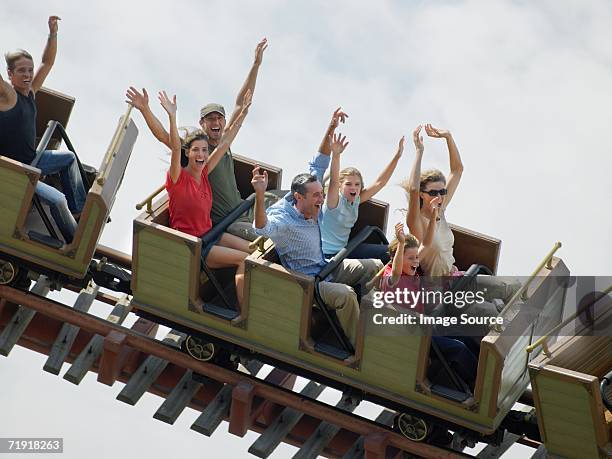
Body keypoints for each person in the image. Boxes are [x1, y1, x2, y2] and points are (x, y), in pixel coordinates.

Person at [126, 38, 275, 241]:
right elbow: (163, 136)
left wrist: (256, 64)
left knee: (288, 199)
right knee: (267, 238)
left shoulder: (223, 141)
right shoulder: (197, 154)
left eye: (219, 118)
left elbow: (240, 105)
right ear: (202, 123)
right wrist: (145, 109)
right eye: (210, 119)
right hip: (227, 222)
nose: (216, 122)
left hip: (243, 207)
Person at [251, 144, 383, 347]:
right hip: (310, 284)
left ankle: (369, 317)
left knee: (374, 266)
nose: (322, 199)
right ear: (299, 198)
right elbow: (262, 227)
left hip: (326, 266)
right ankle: (360, 346)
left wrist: (331, 129)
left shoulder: (311, 199)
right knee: (346, 294)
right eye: (317, 196)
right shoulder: (285, 222)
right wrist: (260, 194)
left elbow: (318, 164)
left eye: (322, 194)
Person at [154, 90, 253, 306]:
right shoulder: (178, 178)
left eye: (204, 151)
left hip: (212, 234)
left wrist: (243, 113)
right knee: (246, 261)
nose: (201, 154)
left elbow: (226, 141)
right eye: (196, 150)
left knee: (254, 251)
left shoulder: (205, 174)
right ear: (188, 153)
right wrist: (172, 115)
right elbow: (173, 146)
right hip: (196, 247)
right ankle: (243, 315)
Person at [403, 124, 519, 304]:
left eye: (443, 192)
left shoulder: (440, 209)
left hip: (457, 280)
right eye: (434, 193)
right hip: (438, 294)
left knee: (512, 287)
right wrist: (419, 151)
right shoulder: (416, 221)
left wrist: (448, 137)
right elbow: (412, 188)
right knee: (490, 314)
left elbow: (457, 170)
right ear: (422, 195)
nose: (439, 197)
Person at [0, 16, 87, 243]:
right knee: (57, 200)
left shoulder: (30, 92)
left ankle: (78, 209)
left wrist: (53, 34)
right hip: (19, 172)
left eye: (29, 70)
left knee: (68, 158)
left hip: (33, 159)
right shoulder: (8, 96)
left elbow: (47, 63)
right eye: (21, 71)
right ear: (10, 74)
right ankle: (74, 242)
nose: (28, 75)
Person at [318, 109, 404, 262]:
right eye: (349, 184)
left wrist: (397, 157)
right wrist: (336, 155)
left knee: (389, 251)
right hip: (327, 255)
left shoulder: (356, 200)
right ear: (340, 186)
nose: (354, 188)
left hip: (345, 251)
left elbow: (380, 182)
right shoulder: (333, 201)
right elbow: (333, 181)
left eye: (357, 184)